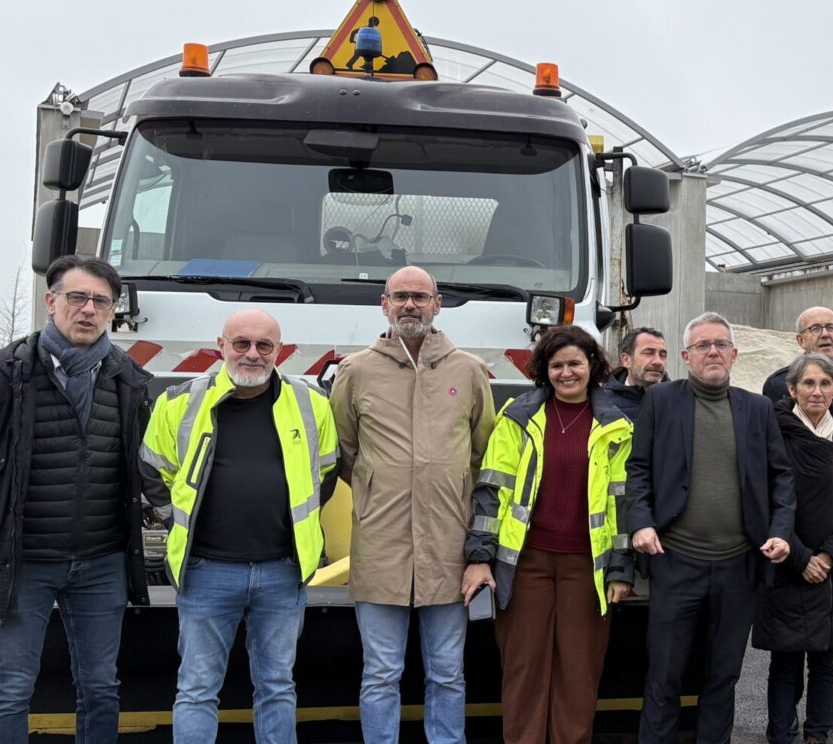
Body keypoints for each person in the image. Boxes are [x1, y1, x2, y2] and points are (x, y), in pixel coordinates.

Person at [0, 255, 154, 744]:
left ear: (112, 311)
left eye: (100, 301)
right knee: (11, 689)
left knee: (101, 687)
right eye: (77, 297)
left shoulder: (129, 379)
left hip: (101, 562)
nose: (88, 310)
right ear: (51, 302)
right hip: (22, 565)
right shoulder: (4, 376)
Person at [139, 309, 337, 744]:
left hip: (282, 573)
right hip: (206, 571)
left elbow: (326, 474)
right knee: (196, 689)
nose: (252, 354)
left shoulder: (312, 405)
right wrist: (184, 523)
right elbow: (153, 473)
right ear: (221, 346)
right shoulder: (178, 402)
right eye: (241, 343)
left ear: (279, 352)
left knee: (278, 687)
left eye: (264, 346)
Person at [329, 266, 497, 744]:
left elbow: (483, 453)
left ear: (437, 304)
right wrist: (383, 486)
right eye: (400, 296)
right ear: (384, 304)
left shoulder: (467, 370)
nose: (409, 305)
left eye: (419, 297)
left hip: (449, 549)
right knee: (380, 673)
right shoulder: (356, 371)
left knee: (447, 673)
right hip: (381, 549)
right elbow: (345, 452)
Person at [626, 311, 797, 744]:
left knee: (722, 677)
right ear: (686, 356)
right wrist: (641, 523)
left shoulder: (757, 409)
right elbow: (638, 470)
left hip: (739, 567)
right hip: (675, 563)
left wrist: (779, 530)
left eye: (721, 344)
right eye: (703, 345)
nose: (714, 351)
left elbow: (782, 477)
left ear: (735, 354)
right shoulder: (661, 401)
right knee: (664, 676)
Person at [464, 326, 636, 744]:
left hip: (587, 567)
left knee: (578, 677)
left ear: (592, 365)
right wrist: (480, 555)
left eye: (575, 363)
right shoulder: (517, 419)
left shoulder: (618, 427)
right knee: (524, 675)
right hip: (525, 565)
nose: (566, 373)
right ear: (544, 369)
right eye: (557, 365)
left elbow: (624, 506)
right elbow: (491, 492)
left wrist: (621, 568)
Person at [758, 354, 833, 744]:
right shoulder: (774, 431)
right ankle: (780, 736)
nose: (817, 391)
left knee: (825, 663)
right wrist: (803, 557)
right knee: (785, 663)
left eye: (825, 384)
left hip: (832, 567)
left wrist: (828, 556)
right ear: (791, 389)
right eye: (808, 383)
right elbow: (767, 501)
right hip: (787, 561)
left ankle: (816, 735)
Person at [763, 306, 833, 409]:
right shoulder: (778, 384)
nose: (825, 334)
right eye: (815, 329)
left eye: (830, 327)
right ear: (801, 340)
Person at [604, 326, 668, 420]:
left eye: (663, 355)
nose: (658, 361)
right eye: (648, 353)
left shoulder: (678, 400)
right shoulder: (603, 403)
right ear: (626, 360)